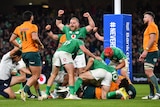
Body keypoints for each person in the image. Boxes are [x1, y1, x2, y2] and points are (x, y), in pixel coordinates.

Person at [9, 10, 44, 101]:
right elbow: (35, 38)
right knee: (36, 75)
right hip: (32, 52)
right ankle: (24, 91)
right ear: (31, 17)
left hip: (24, 53)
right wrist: (40, 44)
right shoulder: (33, 26)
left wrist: (19, 45)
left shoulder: (19, 28)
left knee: (33, 75)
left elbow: (11, 39)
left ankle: (39, 95)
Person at [56, 9, 95, 74]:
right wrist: (59, 15)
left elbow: (92, 26)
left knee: (81, 72)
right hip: (69, 54)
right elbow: (58, 24)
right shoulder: (67, 29)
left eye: (74, 23)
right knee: (71, 73)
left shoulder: (82, 30)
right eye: (71, 23)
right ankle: (72, 84)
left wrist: (89, 17)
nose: (72, 24)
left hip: (79, 54)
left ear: (78, 24)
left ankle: (80, 84)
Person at [139, 11, 160, 100]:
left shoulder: (152, 26)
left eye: (145, 17)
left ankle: (158, 93)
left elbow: (152, 39)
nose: (144, 19)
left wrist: (146, 51)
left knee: (149, 72)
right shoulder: (149, 27)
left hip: (152, 51)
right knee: (148, 74)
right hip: (149, 52)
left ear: (150, 18)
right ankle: (151, 94)